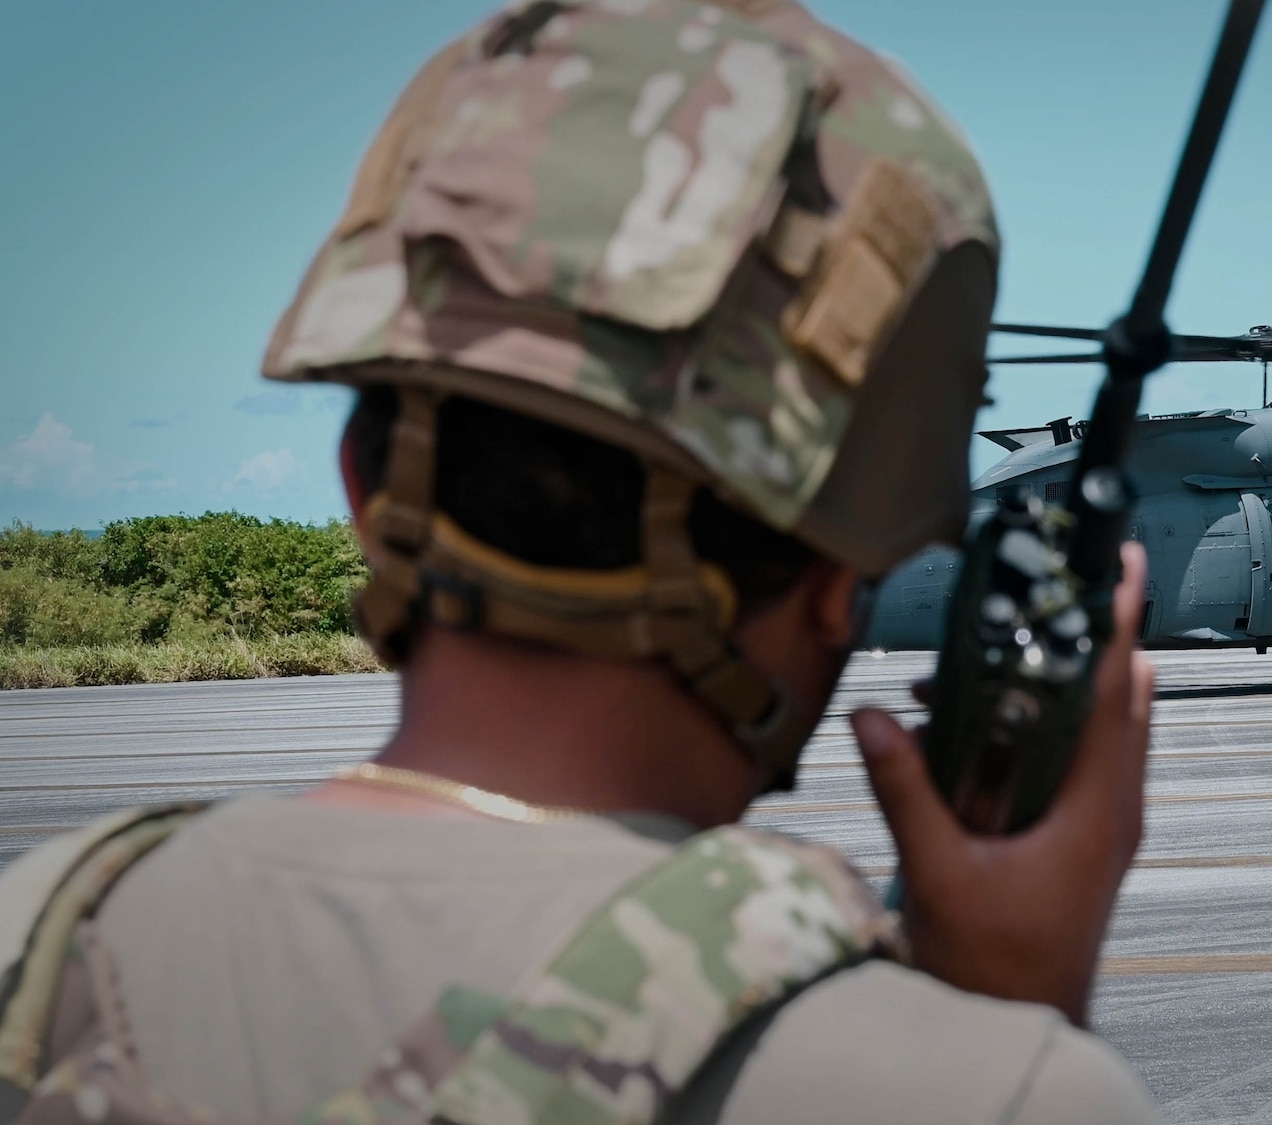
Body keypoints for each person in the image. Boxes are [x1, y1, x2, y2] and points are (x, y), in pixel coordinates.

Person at [0, 3, 1160, 1121]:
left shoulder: (38, 946)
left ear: (361, 487)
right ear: (835, 577)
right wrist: (1004, 1032)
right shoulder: (977, 1092)